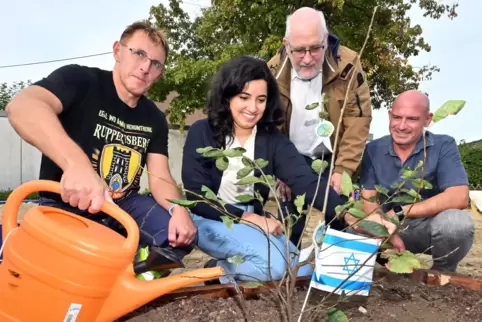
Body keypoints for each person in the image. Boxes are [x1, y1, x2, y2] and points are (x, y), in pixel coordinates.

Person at [6, 21, 197, 273]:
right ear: (118, 50)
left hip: (124, 205)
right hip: (65, 203)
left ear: (160, 73)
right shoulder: (80, 80)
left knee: (180, 237)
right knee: (75, 269)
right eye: (138, 53)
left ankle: (130, 279)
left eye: (155, 64)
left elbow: (160, 176)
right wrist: (77, 166)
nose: (144, 67)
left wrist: (179, 208)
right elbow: (21, 107)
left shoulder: (154, 118)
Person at [181, 55, 347, 284]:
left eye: (261, 99)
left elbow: (306, 182)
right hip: (210, 219)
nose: (253, 108)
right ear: (227, 96)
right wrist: (249, 218)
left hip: (256, 221)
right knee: (275, 268)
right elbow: (196, 196)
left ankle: (228, 270)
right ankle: (217, 271)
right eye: (244, 97)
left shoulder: (271, 140)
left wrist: (348, 213)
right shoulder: (202, 132)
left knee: (301, 269)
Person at [267, 7, 373, 244]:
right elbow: (269, 126)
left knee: (339, 223)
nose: (307, 58)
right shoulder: (272, 72)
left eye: (315, 48)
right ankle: (286, 274)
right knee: (289, 226)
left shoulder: (349, 66)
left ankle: (335, 275)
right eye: (299, 50)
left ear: (325, 40)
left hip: (333, 159)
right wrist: (281, 169)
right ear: (286, 44)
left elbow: (359, 119)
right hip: (292, 159)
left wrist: (343, 168)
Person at [354, 90, 474, 272]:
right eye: (396, 117)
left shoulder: (443, 145)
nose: (401, 126)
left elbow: (459, 196)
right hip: (387, 226)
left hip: (428, 227)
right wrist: (385, 229)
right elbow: (368, 200)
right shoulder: (373, 149)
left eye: (412, 119)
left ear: (427, 119)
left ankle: (442, 273)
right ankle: (383, 269)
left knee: (457, 224)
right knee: (347, 231)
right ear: (389, 115)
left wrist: (400, 212)